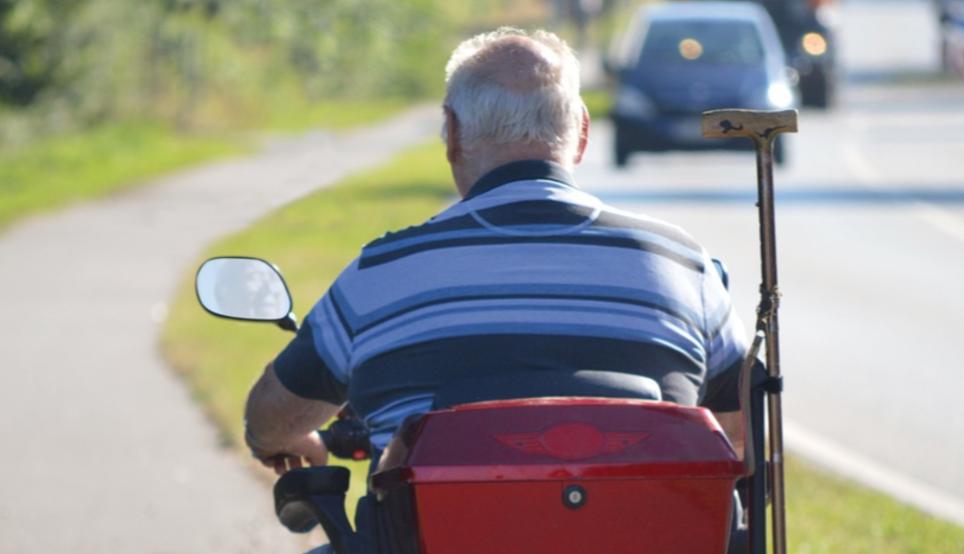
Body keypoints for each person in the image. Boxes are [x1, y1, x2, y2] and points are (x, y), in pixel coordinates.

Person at [241, 27, 749, 477]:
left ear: (453, 133)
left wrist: (288, 439)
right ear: (582, 134)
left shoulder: (379, 274)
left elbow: (270, 418)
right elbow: (744, 434)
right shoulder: (685, 267)